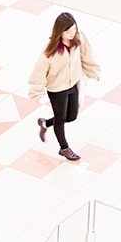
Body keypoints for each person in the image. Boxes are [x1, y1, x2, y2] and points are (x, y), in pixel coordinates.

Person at [28, 12, 101, 161]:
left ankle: (46, 123)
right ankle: (64, 148)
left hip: (73, 82)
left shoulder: (79, 38)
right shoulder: (50, 50)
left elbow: (87, 54)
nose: (73, 34)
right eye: (68, 32)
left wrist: (94, 71)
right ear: (59, 32)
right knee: (61, 119)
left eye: (74, 29)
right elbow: (39, 71)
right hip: (56, 89)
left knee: (71, 116)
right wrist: (36, 92)